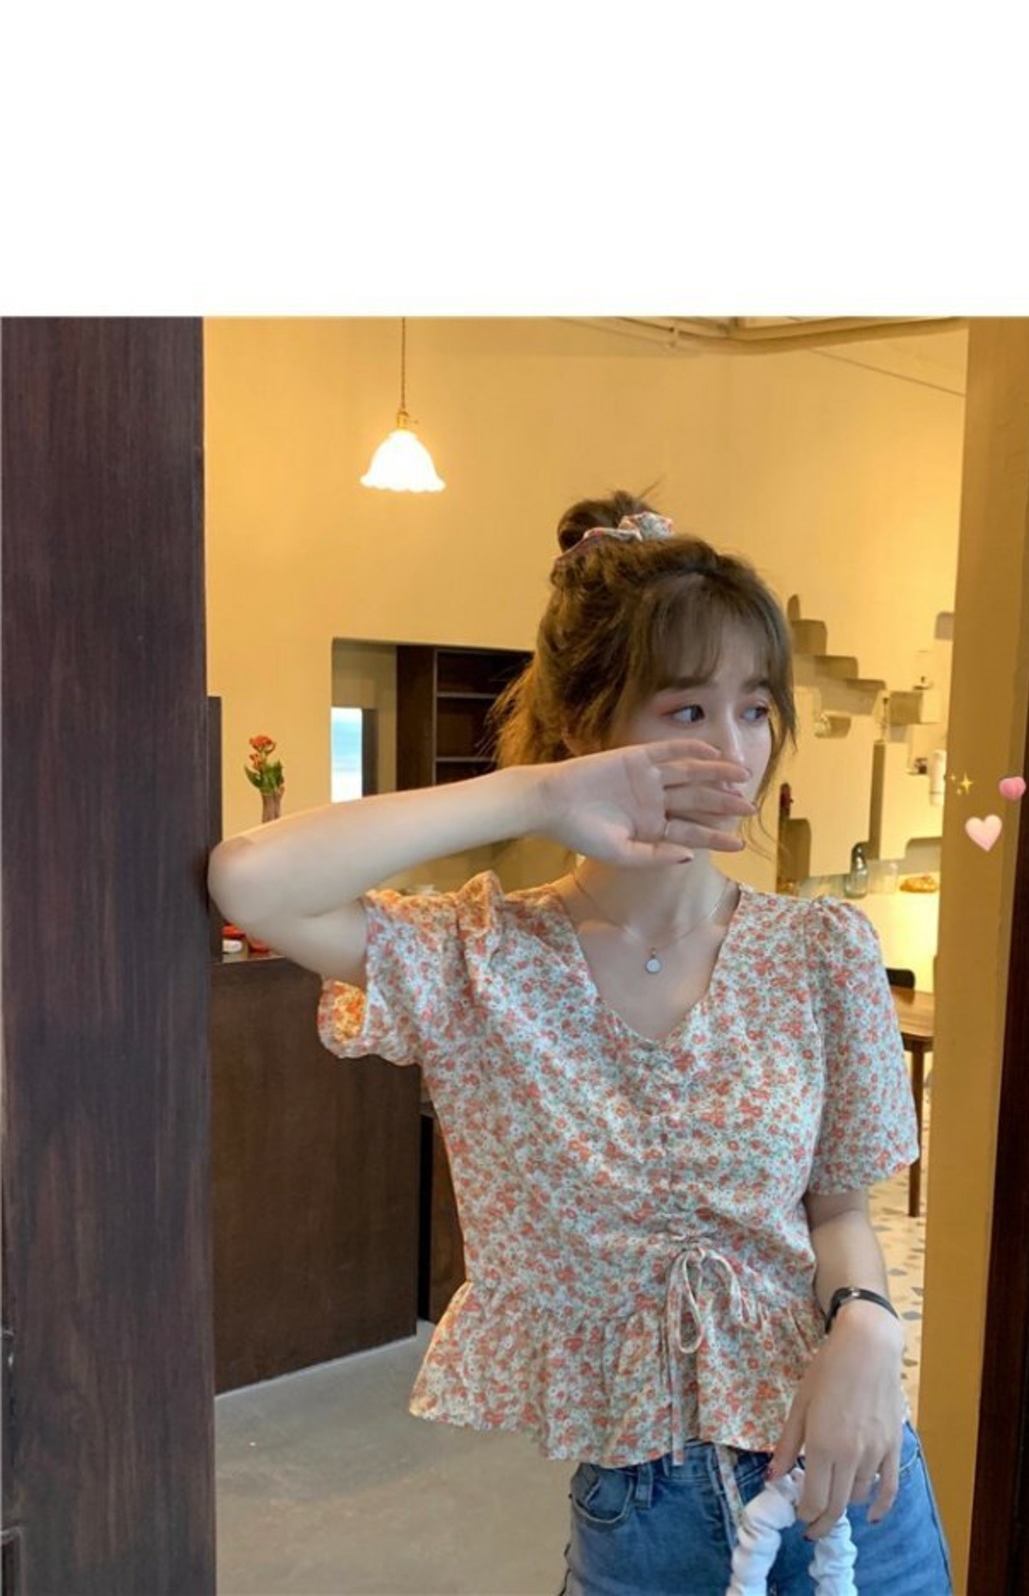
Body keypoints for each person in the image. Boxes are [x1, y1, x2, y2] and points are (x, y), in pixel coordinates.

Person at [207, 492, 952, 1595]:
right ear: (582, 729)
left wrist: (870, 1332)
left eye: (755, 709)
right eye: (686, 709)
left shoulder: (819, 951)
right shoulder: (481, 959)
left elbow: (838, 1211)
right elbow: (250, 880)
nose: (733, 752)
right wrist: (536, 796)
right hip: (638, 1520)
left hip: (851, 1488)